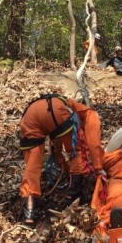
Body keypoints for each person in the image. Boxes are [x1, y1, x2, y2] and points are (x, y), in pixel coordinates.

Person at [19, 93, 104, 226]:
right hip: (55, 111)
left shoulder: (63, 104)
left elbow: (56, 150)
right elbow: (94, 143)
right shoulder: (89, 113)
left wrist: (64, 169)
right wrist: (98, 167)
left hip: (30, 115)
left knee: (32, 163)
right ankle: (74, 196)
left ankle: (29, 211)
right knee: (77, 151)